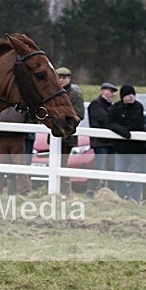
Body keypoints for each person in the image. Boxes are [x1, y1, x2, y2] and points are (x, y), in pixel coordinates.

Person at [106, 84, 146, 203]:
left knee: (136, 175)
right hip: (121, 148)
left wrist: (123, 128)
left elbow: (136, 124)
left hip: (137, 148)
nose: (131, 97)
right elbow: (109, 123)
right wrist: (123, 131)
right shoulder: (115, 108)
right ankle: (122, 197)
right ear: (122, 96)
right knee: (118, 172)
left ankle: (134, 199)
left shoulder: (138, 107)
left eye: (133, 94)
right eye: (128, 94)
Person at [55, 66, 85, 194]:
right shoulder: (52, 91)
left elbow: (80, 114)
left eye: (64, 78)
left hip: (68, 135)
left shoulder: (75, 94)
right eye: (59, 77)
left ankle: (65, 191)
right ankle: (55, 189)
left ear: (69, 78)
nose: (61, 80)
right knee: (54, 164)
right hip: (54, 134)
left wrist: (63, 119)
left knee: (62, 164)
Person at [0, 107, 31, 195]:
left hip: (17, 138)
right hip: (0, 137)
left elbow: (29, 117)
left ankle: (24, 191)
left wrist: (24, 130)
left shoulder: (21, 104)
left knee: (20, 165)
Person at [85, 82, 118, 196]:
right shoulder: (95, 104)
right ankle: (92, 190)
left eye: (113, 92)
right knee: (99, 167)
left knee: (112, 168)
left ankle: (110, 192)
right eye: (110, 91)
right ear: (102, 91)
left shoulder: (111, 106)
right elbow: (105, 120)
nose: (112, 94)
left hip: (111, 142)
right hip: (100, 142)